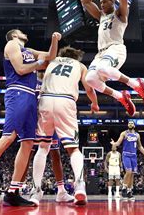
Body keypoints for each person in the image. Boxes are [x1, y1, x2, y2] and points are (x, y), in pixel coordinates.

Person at [0, 29, 61, 207]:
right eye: (21, 32)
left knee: (28, 143)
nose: (25, 33)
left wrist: (55, 41)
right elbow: (21, 69)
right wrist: (39, 63)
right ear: (15, 34)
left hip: (31, 96)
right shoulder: (11, 44)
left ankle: (12, 192)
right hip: (18, 92)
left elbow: (51, 57)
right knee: (9, 136)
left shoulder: (29, 50)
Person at [81, 0, 144, 116]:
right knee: (90, 79)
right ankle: (121, 96)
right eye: (100, 2)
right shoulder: (101, 16)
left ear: (112, 2)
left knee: (103, 68)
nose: (101, 4)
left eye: (104, 1)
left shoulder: (121, 14)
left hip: (116, 48)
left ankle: (136, 84)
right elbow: (85, 1)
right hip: (101, 53)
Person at [28, 46, 99, 206]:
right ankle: (79, 185)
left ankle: (35, 191)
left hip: (45, 99)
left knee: (43, 147)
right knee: (73, 149)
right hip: (65, 100)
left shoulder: (51, 60)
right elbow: (89, 89)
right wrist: (94, 104)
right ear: (77, 57)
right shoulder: (80, 66)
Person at [19, 72, 74, 203]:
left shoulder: (53, 82)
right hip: (33, 120)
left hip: (50, 119)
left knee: (55, 153)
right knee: (26, 154)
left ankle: (61, 191)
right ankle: (20, 189)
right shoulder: (31, 81)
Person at [111, 121, 144, 200]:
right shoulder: (124, 133)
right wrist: (114, 143)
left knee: (132, 174)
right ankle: (124, 188)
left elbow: (140, 147)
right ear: (128, 125)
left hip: (134, 155)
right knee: (129, 171)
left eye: (131, 123)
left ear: (134, 125)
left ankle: (129, 191)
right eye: (129, 123)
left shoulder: (137, 135)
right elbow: (118, 143)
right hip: (126, 154)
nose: (130, 124)